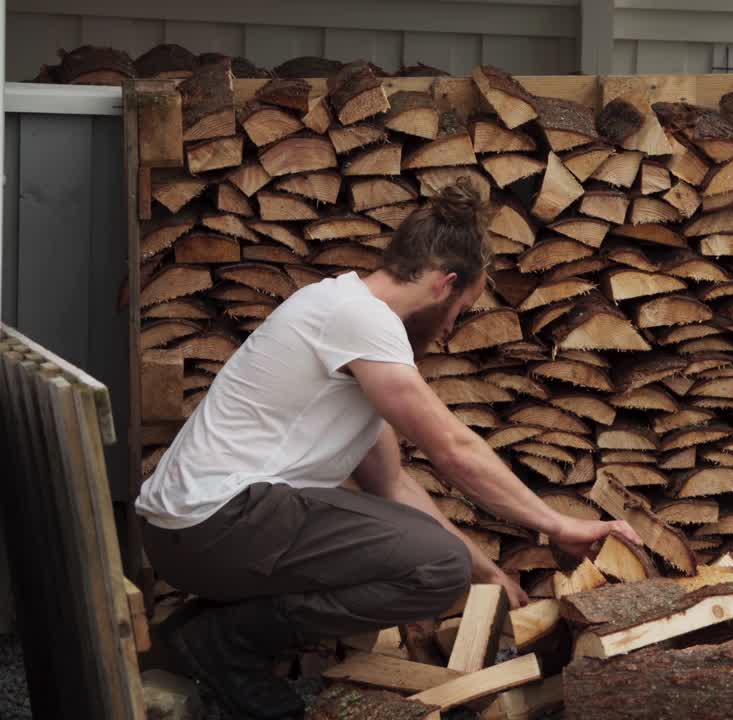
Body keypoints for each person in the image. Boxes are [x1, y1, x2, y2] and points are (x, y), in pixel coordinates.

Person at [135, 179, 641, 720]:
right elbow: (452, 447)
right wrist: (555, 524)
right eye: (461, 311)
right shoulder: (361, 320)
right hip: (217, 523)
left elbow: (390, 483)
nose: (449, 333)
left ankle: (200, 631)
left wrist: (486, 571)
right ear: (445, 285)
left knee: (441, 561)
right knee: (435, 565)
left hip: (192, 533)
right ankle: (223, 644)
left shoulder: (346, 320)